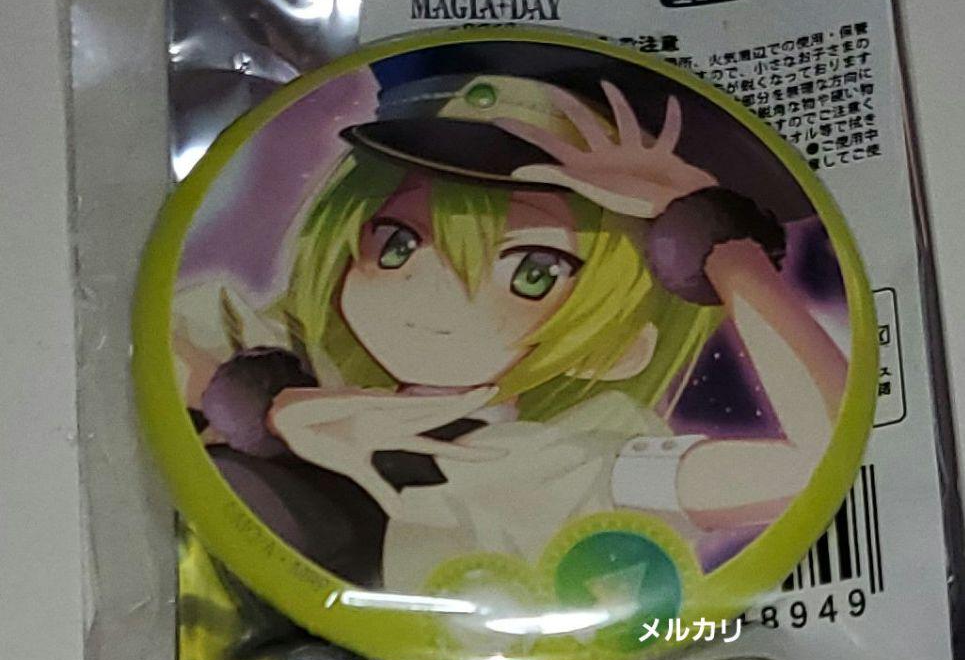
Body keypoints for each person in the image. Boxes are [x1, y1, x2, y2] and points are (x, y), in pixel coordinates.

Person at [174, 68, 847, 595]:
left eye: (531, 273)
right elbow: (158, 354)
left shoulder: (580, 465)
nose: (433, 286)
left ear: (619, 349)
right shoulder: (291, 357)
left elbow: (817, 461)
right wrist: (272, 407)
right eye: (398, 242)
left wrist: (714, 239)